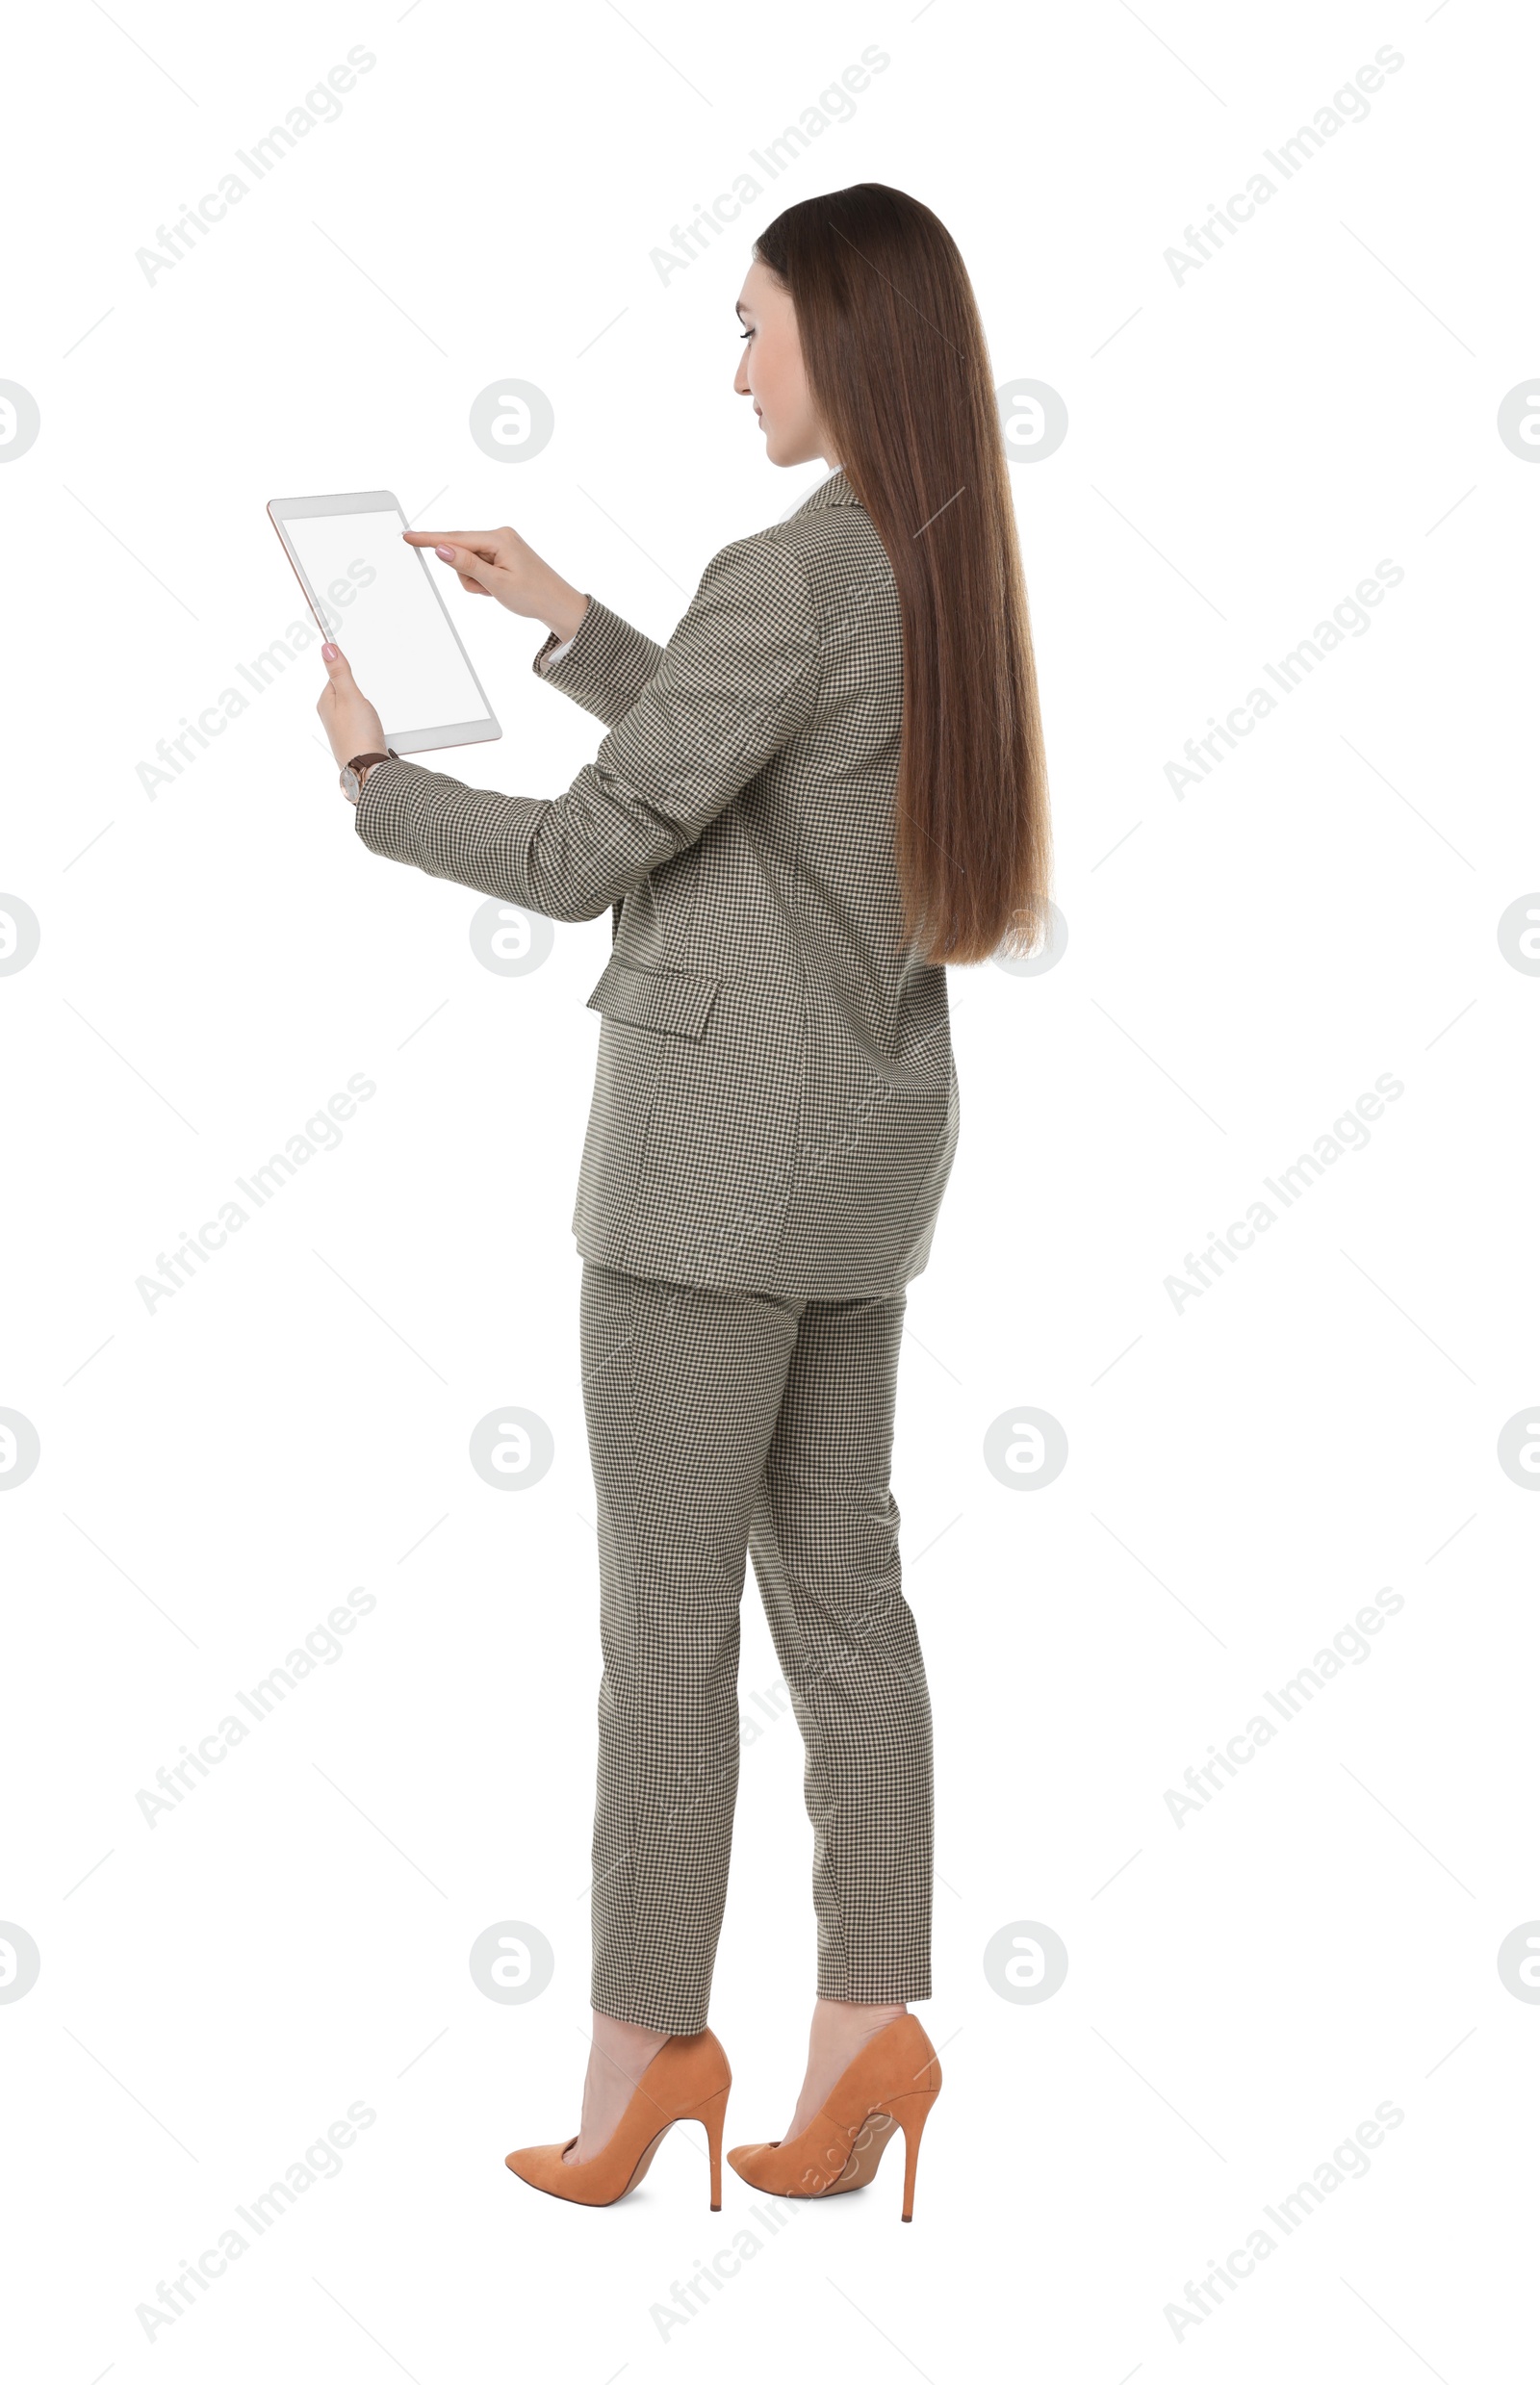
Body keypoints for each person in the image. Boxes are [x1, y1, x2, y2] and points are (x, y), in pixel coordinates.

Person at [318, 180, 1051, 2219]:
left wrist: (376, 784)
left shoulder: (785, 568)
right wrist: (568, 623)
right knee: (844, 1605)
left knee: (666, 1631)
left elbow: (587, 856)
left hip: (703, 1188)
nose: (732, 367)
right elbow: (760, 772)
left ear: (839, 332)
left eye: (749, 328)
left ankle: (642, 2063)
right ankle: (870, 2037)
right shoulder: (930, 565)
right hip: (862, 1164)